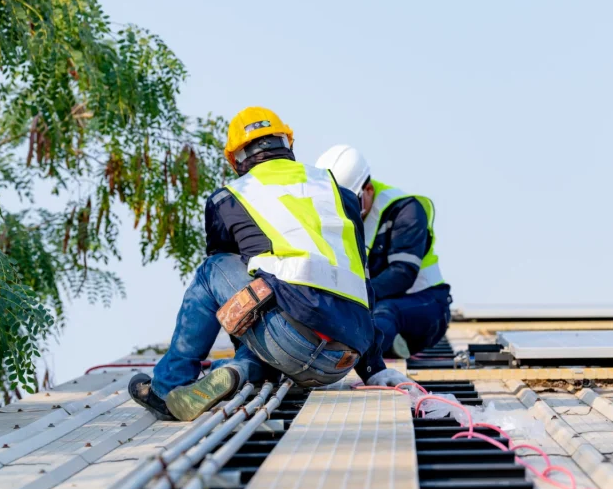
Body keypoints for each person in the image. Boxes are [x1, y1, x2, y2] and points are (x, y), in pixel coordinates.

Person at [129, 108, 408, 422]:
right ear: (287, 145)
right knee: (288, 298)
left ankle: (168, 388)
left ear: (235, 159)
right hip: (345, 357)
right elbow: (360, 280)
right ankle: (239, 370)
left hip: (291, 344)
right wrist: (373, 370)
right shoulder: (338, 192)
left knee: (214, 271)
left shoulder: (229, 197)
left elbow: (233, 296)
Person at [316, 145, 452, 360]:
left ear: (368, 190)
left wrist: (353, 299)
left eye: (350, 203)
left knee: (385, 312)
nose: (343, 212)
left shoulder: (406, 210)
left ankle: (365, 358)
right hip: (372, 303)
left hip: (425, 306)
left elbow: (402, 274)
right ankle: (387, 345)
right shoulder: (335, 222)